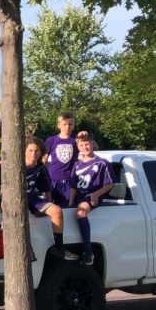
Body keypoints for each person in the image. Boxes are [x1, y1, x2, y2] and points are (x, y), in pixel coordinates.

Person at [25, 138, 78, 261]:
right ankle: (28, 249)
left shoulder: (40, 167)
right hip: (19, 199)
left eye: (37, 151)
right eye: (31, 150)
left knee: (57, 211)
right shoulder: (18, 166)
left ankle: (58, 247)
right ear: (24, 152)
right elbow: (4, 189)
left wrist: (48, 205)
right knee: (23, 216)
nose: (34, 153)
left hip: (32, 197)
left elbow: (46, 188)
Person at [72, 131, 114, 267]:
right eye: (81, 145)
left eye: (87, 144)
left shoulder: (102, 163)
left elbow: (109, 183)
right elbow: (73, 185)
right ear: (78, 147)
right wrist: (70, 201)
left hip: (92, 196)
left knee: (80, 212)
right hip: (78, 195)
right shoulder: (76, 164)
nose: (85, 147)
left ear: (92, 144)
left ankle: (88, 251)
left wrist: (96, 194)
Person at [44, 112, 79, 207]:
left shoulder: (76, 139)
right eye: (64, 124)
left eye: (70, 124)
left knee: (69, 206)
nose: (67, 127)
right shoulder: (51, 140)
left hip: (70, 179)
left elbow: (93, 148)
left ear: (74, 125)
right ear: (58, 125)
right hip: (53, 179)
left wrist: (86, 135)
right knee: (50, 206)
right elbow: (44, 159)